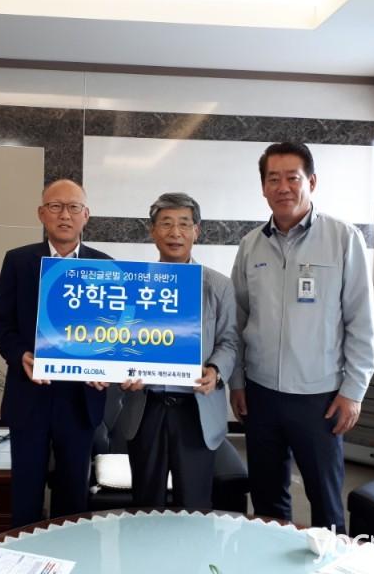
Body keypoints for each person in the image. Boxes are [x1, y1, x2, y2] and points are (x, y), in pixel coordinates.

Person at [230, 142, 374, 532]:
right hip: (261, 393)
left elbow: (360, 321)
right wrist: (238, 381)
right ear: (263, 187)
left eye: (292, 178)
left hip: (320, 398)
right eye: (273, 179)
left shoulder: (343, 239)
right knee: (267, 499)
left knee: (325, 499)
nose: (283, 187)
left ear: (311, 182)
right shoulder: (250, 245)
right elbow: (238, 320)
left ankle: (331, 558)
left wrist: (354, 391)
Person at [0, 178, 111, 527]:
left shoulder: (105, 266)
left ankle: (68, 553)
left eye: (73, 207)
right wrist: (20, 355)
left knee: (73, 497)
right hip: (30, 395)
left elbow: (113, 331)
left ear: (86, 215)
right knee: (25, 495)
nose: (64, 215)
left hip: (80, 399)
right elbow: (1, 323)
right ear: (41, 214)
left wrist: (107, 368)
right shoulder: (19, 261)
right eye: (55, 207)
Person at [118, 192, 238, 509]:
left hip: (196, 411)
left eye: (184, 224)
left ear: (196, 231)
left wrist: (216, 370)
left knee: (194, 506)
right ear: (152, 231)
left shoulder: (218, 286)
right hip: (147, 408)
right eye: (166, 223)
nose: (175, 233)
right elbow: (120, 338)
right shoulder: (133, 285)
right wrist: (123, 372)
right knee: (145, 506)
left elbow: (230, 341)